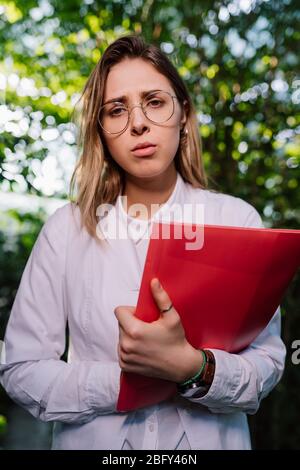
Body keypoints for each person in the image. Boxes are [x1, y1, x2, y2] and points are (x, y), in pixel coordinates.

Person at [0, 34, 286, 450]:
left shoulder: (236, 219)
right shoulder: (65, 230)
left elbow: (267, 362)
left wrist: (194, 368)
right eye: (116, 109)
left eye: (154, 101)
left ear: (183, 114)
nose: (138, 123)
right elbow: (20, 368)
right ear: (101, 130)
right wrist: (129, 381)